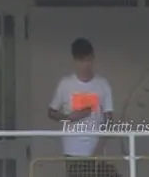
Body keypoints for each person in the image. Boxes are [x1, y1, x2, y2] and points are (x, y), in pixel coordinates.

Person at [48, 38, 116, 177]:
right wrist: (68, 118)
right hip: (73, 150)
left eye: (88, 60)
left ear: (93, 58)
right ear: (75, 60)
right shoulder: (65, 84)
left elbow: (109, 121)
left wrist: (100, 147)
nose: (85, 65)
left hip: (96, 150)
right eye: (81, 60)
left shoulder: (102, 84)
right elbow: (51, 111)